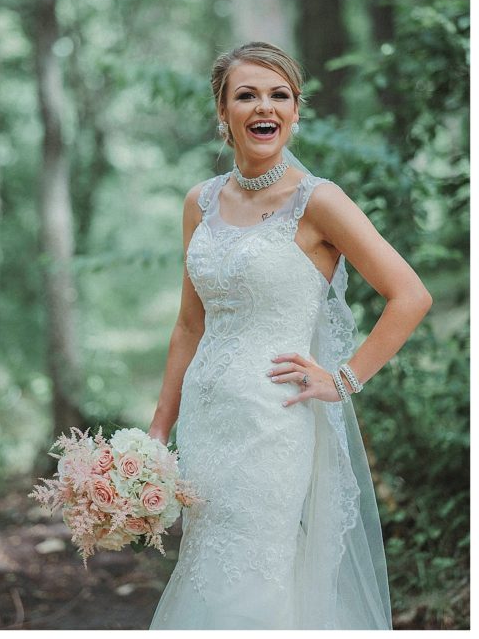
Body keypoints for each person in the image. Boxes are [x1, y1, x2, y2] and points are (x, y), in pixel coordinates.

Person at [146, 42, 431, 629]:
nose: (262, 106)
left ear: (296, 112)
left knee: (255, 574)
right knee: (207, 566)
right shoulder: (199, 202)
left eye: (279, 95)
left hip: (273, 423)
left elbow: (411, 296)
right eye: (245, 95)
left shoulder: (318, 202)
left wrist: (345, 377)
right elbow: (189, 325)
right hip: (206, 422)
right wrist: (157, 430)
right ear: (222, 113)